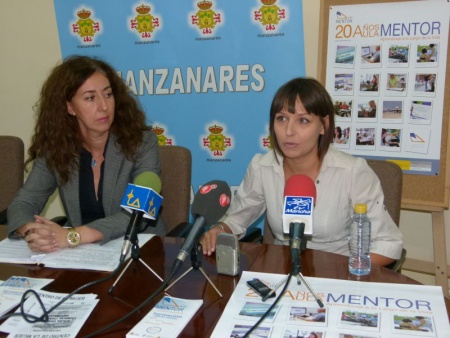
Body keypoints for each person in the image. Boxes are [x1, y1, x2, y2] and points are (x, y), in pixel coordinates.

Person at [200, 77, 403, 267]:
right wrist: (220, 230)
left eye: (303, 121)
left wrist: (347, 271)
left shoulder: (352, 172)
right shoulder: (262, 167)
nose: (289, 131)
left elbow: (388, 243)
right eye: (281, 119)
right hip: (281, 273)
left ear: (323, 126)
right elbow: (236, 219)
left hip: (337, 274)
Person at [7, 55, 165, 253]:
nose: (104, 106)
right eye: (90, 98)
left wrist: (73, 236)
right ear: (69, 107)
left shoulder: (141, 143)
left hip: (139, 253)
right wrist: (35, 233)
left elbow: (136, 216)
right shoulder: (57, 148)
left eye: (108, 95)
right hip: (83, 257)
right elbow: (23, 203)